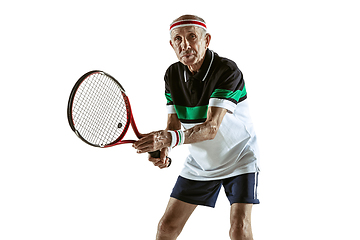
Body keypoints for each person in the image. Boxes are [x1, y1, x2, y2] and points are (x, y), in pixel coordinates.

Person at [133, 14, 260, 240]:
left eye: (192, 37)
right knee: (166, 227)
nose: (185, 45)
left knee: (239, 228)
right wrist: (165, 149)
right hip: (200, 163)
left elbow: (211, 128)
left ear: (206, 40)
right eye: (178, 40)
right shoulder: (172, 74)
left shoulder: (227, 70)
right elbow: (173, 124)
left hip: (239, 157)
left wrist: (168, 139)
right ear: (172, 45)